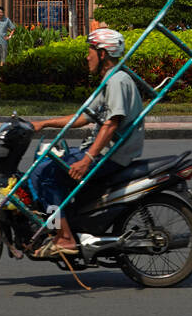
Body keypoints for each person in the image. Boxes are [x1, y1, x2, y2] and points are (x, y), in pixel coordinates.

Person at [27, 27, 144, 259]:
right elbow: (82, 117)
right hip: (104, 153)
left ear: (103, 54)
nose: (86, 56)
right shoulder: (109, 80)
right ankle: (62, 228)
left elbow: (111, 124)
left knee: (42, 175)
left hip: (109, 156)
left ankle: (64, 238)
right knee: (44, 164)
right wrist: (43, 124)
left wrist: (87, 159)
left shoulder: (118, 81)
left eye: (90, 50)